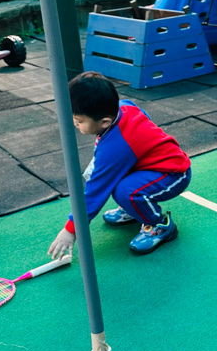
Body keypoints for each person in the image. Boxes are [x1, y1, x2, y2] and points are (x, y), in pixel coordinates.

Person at [47, 72, 191, 259]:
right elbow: (142, 115)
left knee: (126, 191)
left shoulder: (115, 148)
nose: (75, 124)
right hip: (147, 166)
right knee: (121, 182)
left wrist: (71, 229)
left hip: (173, 173)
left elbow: (95, 190)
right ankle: (134, 209)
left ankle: (159, 225)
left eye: (80, 121)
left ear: (105, 122)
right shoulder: (123, 106)